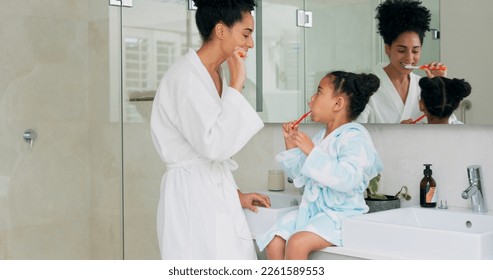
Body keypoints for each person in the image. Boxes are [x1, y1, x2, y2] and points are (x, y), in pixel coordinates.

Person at [150, 0, 270, 260]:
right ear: (221, 31)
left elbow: (212, 147)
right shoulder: (185, 78)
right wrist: (238, 85)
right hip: (191, 200)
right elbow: (214, 146)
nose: (250, 44)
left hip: (211, 193)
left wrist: (235, 195)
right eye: (246, 34)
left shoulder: (214, 75)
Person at [256, 71, 384, 260]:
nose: (311, 99)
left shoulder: (355, 137)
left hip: (341, 217)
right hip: (315, 213)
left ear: (338, 103)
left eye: (319, 92)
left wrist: (312, 152)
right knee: (274, 239)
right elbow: (302, 178)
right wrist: (292, 145)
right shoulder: (321, 137)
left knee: (297, 242)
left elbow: (348, 179)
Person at [356, 0, 451, 124]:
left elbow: (448, 130)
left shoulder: (423, 86)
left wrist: (440, 86)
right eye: (402, 50)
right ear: (387, 49)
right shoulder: (364, 89)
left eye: (415, 51)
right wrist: (398, 134)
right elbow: (355, 135)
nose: (410, 58)